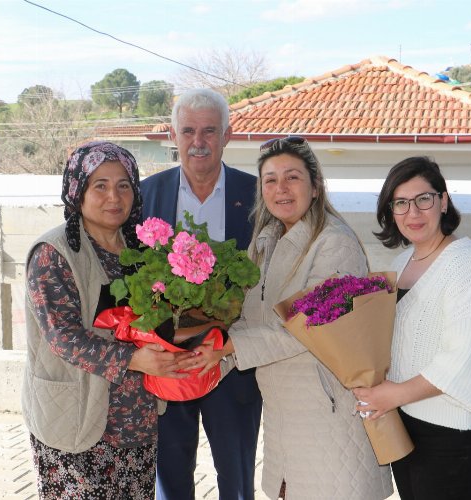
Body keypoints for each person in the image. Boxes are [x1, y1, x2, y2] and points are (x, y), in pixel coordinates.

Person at [197, 136, 393, 499]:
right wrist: (201, 355)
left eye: (292, 177)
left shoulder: (334, 243)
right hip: (284, 415)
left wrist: (226, 349)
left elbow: (306, 330)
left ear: (315, 186)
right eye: (270, 180)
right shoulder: (265, 242)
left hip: (327, 416)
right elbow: (249, 322)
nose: (280, 189)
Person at [21, 141, 197, 499]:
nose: (113, 196)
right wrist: (134, 358)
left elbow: (160, 320)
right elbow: (63, 337)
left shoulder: (142, 252)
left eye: (123, 185)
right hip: (77, 423)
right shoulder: (54, 253)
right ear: (77, 190)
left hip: (136, 423)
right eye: (99, 185)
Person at [353, 156, 471, 500]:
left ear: (443, 201)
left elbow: (465, 356)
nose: (413, 213)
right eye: (401, 203)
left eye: (423, 199)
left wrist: (393, 394)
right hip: (410, 424)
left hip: (453, 434)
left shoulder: (464, 262)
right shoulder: (403, 262)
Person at [140, 88, 262, 500]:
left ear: (227, 135)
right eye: (188, 130)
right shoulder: (146, 195)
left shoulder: (260, 194)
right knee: (171, 478)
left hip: (231, 362)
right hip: (169, 361)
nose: (198, 142)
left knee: (237, 476)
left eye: (209, 131)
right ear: (173, 134)